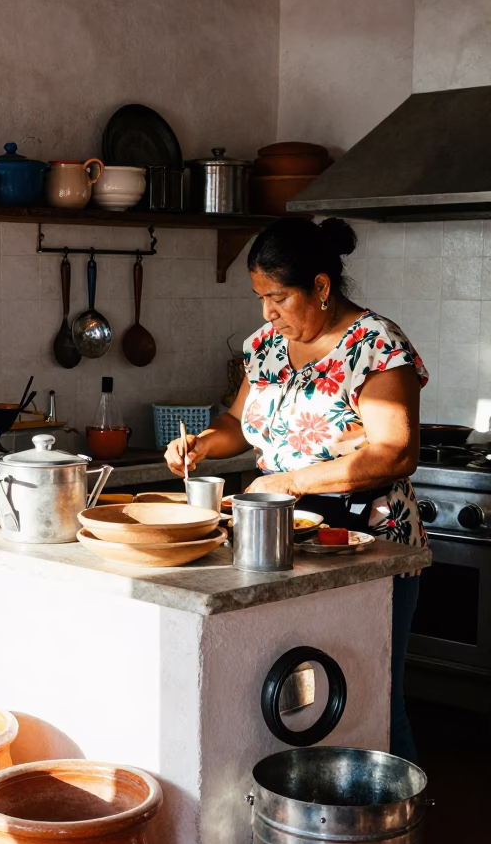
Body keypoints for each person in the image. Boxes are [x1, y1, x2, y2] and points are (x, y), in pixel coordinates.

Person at [165, 217, 427, 762]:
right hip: (284, 542)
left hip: (368, 541)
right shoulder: (265, 346)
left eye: (278, 296)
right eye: (260, 297)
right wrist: (204, 444)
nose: (267, 312)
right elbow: (239, 422)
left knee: (373, 694)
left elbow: (395, 452)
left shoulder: (376, 345)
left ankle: (397, 829)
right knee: (299, 694)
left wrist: (290, 481)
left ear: (322, 286)